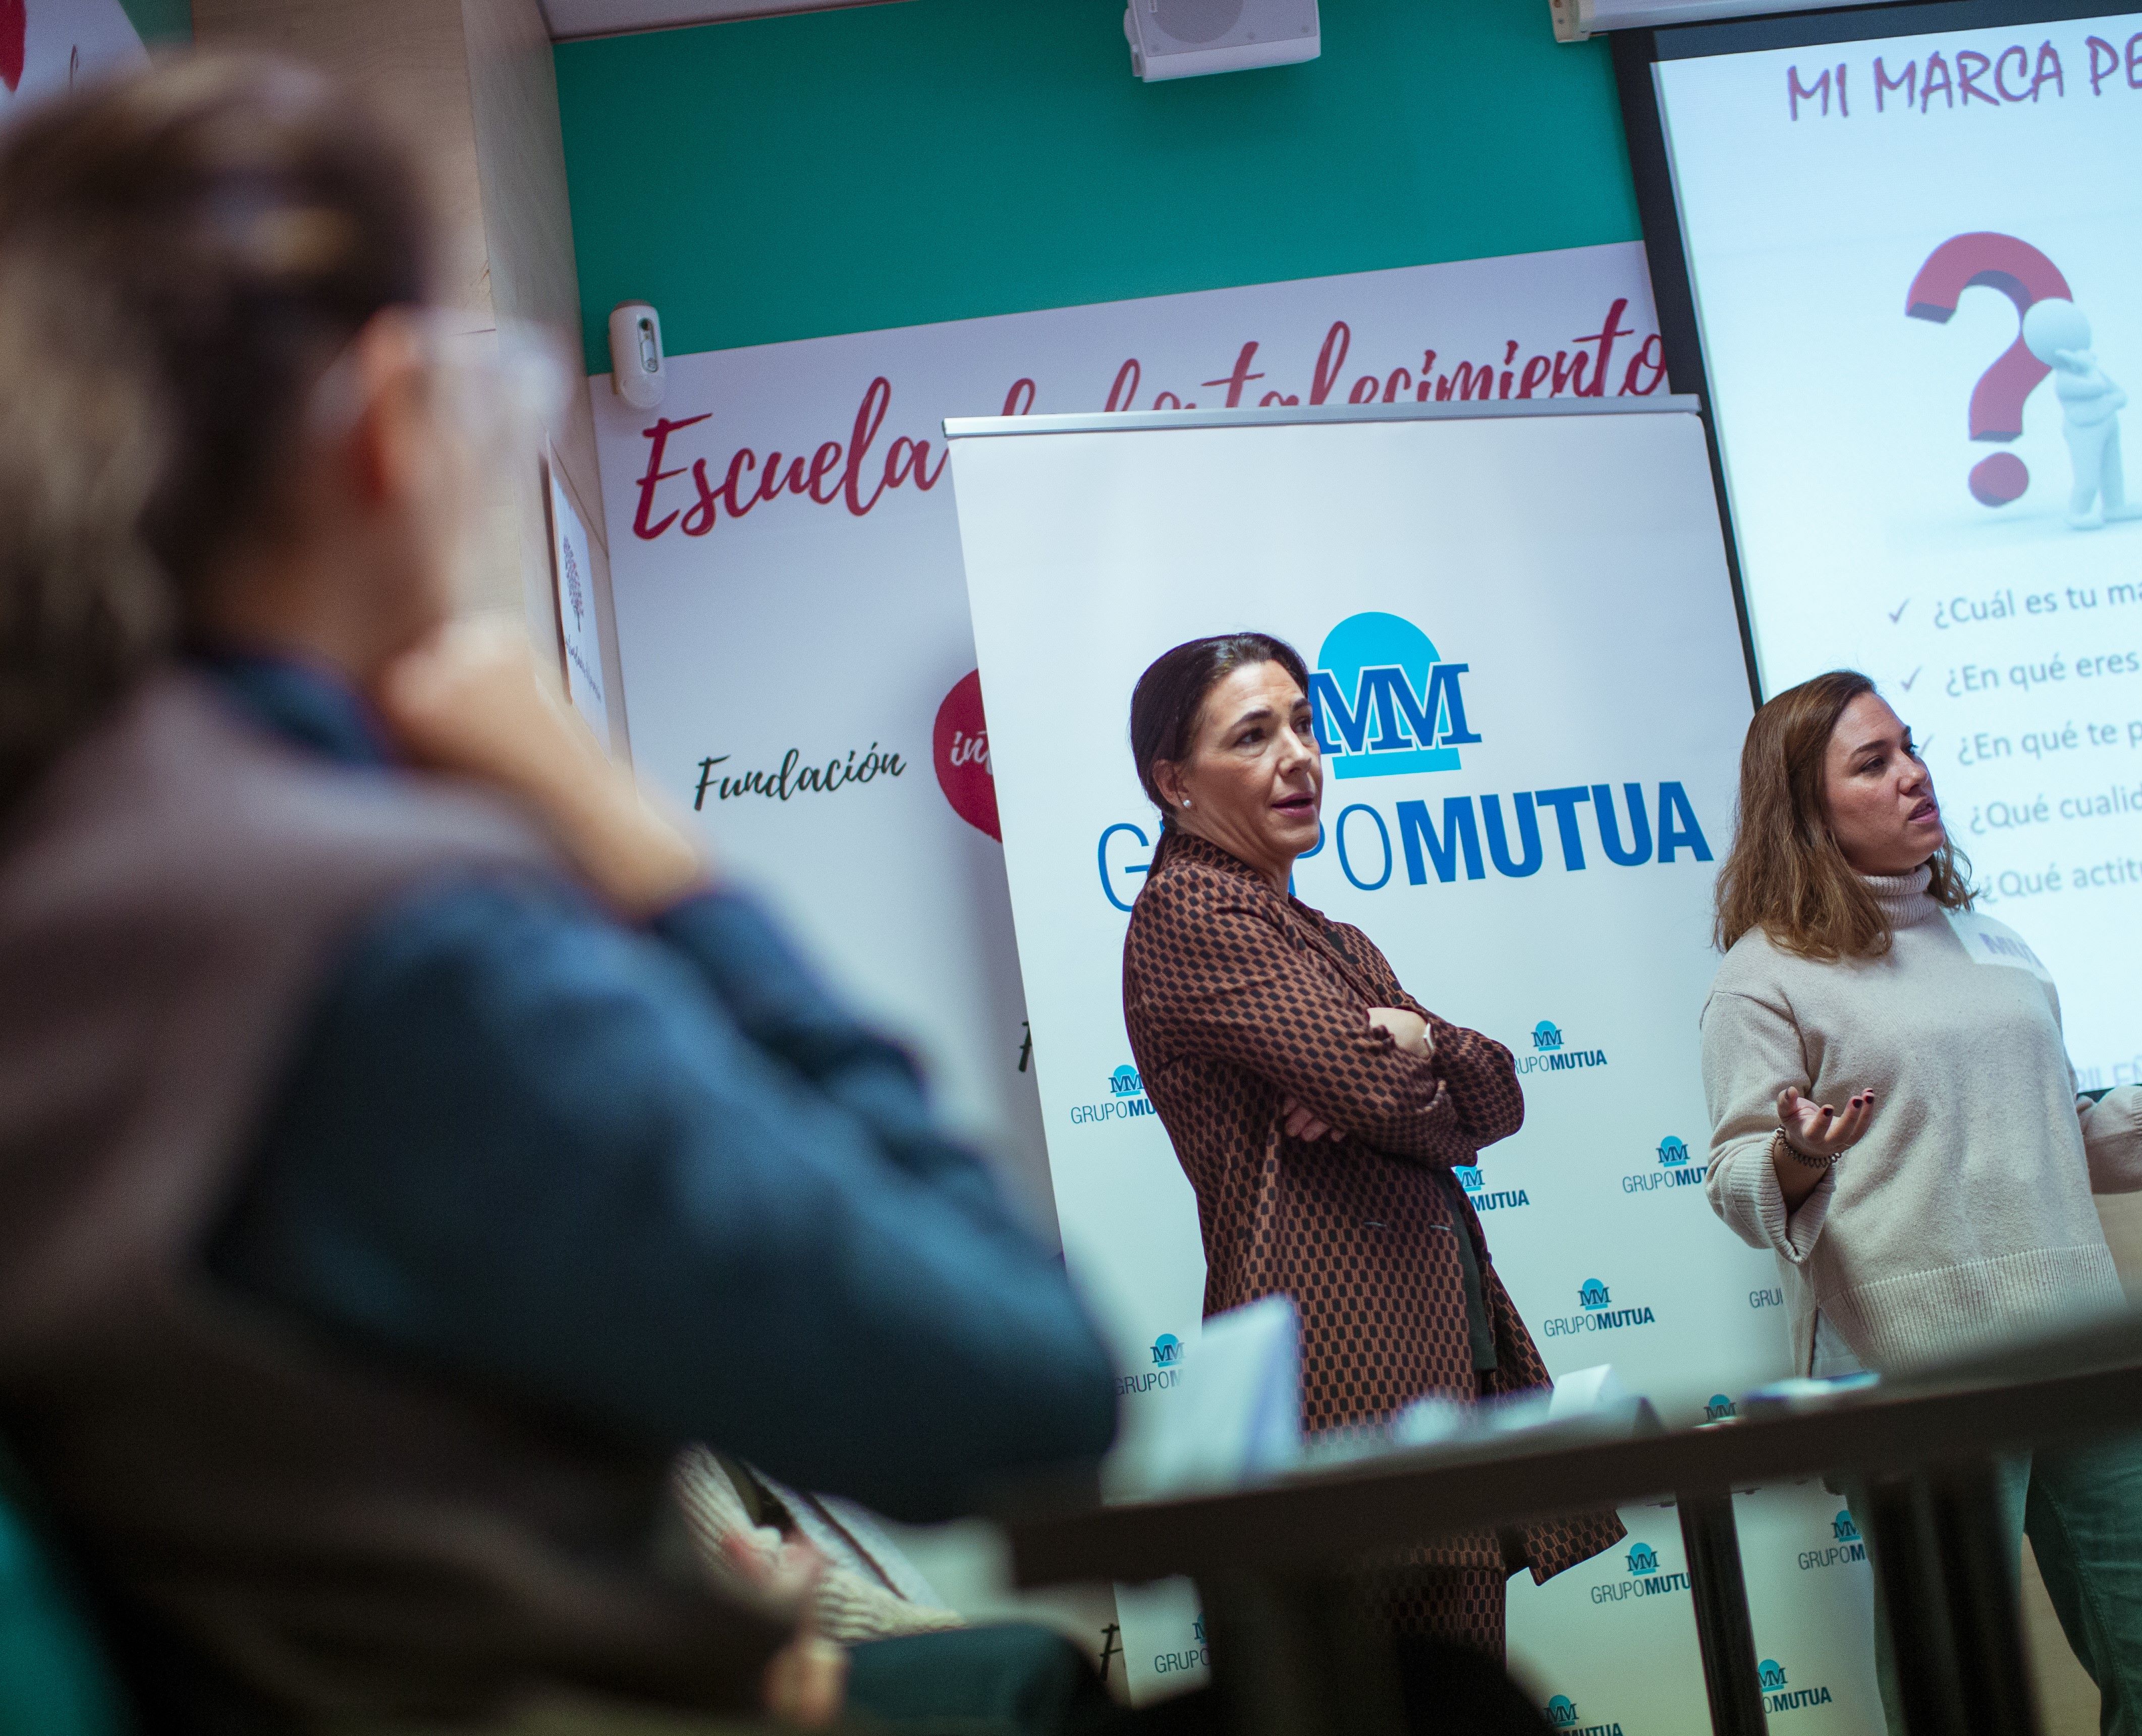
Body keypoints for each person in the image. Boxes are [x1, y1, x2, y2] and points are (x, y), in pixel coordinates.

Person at [0, 55, 1119, 1731]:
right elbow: (1024, 1386)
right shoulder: (392, 937)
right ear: (388, 421)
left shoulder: (70, 876)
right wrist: (638, 844)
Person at [1698, 669, 2142, 1735]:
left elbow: (2063, 1136)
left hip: (2079, 1343)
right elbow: (1734, 1176)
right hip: (1917, 1371)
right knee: (1958, 1690)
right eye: (1874, 763)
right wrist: (1798, 1155)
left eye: (1911, 747)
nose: (1914, 774)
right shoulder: (1763, 976)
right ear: (1806, 810)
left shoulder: (1992, 943)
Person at [1117, 633, 1621, 1657]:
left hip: (1431, 1369)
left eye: (1304, 725)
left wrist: (1419, 1039)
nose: (1298, 756)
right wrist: (1384, 1075)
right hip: (1333, 1392)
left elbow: (1499, 1092)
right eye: (1254, 736)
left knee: (1458, 1693)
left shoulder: (1336, 939)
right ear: (1174, 782)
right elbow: (1380, 1092)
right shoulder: (1191, 910)